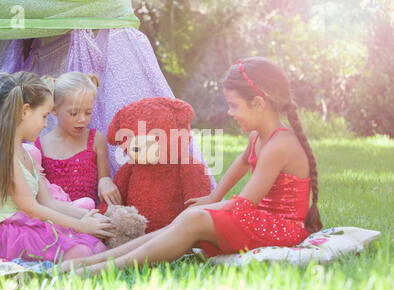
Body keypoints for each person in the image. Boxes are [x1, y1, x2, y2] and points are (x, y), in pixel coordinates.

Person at [60, 56, 323, 275]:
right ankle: (91, 262)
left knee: (193, 218)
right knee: (189, 218)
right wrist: (213, 196)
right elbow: (242, 163)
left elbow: (245, 204)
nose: (230, 112)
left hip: (281, 229)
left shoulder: (280, 145)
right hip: (260, 220)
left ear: (258, 103)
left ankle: (98, 270)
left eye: (234, 105)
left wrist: (209, 208)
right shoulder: (258, 137)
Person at [0, 71, 115, 264]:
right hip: (0, 234)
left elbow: (48, 202)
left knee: (96, 247)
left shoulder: (27, 153)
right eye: (43, 116)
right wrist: (80, 226)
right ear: (25, 111)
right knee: (81, 253)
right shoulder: (2, 152)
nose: (44, 124)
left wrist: (93, 217)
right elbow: (32, 208)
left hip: (22, 226)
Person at [35, 72, 121, 208]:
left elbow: (104, 179)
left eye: (88, 112)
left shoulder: (95, 140)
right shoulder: (39, 146)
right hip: (55, 221)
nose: (82, 119)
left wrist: (106, 180)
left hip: (90, 217)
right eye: (74, 113)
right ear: (54, 109)